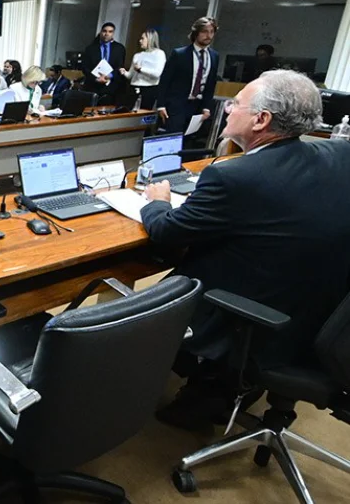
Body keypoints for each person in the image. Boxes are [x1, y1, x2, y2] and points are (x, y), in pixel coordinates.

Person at [141, 70, 350, 429]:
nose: (227, 110)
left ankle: (211, 383)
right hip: (317, 317)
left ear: (261, 119)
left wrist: (157, 201)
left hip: (254, 317)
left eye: (236, 103)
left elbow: (167, 231)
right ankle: (224, 381)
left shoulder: (234, 177)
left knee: (151, 296)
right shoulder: (339, 154)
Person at [157, 17, 220, 135]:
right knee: (173, 138)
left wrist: (207, 107)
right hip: (177, 104)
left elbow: (211, 83)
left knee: (191, 140)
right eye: (204, 31)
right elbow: (165, 80)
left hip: (198, 106)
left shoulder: (214, 56)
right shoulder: (179, 54)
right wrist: (161, 105)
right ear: (196, 33)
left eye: (211, 32)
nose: (208, 35)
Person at [119, 29, 166, 110]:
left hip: (149, 89)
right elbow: (130, 75)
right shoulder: (137, 55)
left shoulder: (159, 54)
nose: (140, 41)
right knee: (127, 112)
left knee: (143, 115)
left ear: (150, 39)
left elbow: (157, 74)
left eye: (142, 38)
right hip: (133, 88)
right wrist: (124, 73)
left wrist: (141, 69)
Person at [82, 22, 126, 102]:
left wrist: (110, 75)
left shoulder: (119, 48)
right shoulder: (90, 48)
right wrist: (95, 78)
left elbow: (120, 66)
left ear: (113, 33)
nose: (107, 34)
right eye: (104, 31)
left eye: (110, 31)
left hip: (111, 87)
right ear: (101, 32)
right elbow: (85, 68)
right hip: (93, 86)